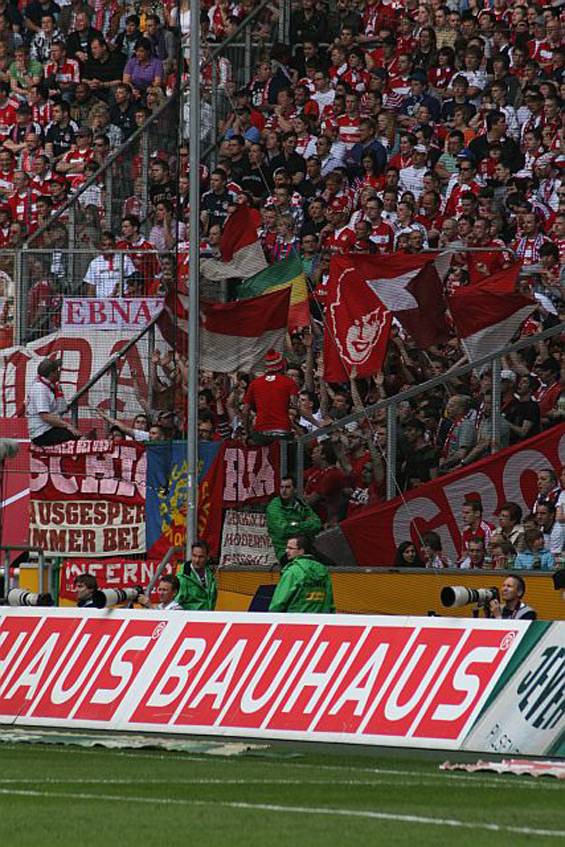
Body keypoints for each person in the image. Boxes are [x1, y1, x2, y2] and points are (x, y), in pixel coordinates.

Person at [269, 534, 335, 613]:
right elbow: (329, 599)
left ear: (301, 551)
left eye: (290, 548)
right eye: (286, 547)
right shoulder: (323, 570)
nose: (286, 551)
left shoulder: (292, 571)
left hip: (295, 621)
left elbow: (278, 603)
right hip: (319, 620)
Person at [242, 349, 297, 444]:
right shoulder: (290, 382)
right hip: (283, 431)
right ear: (282, 366)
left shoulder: (255, 384)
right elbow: (295, 404)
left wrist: (247, 433)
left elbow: (245, 411)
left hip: (261, 434)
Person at [265, 475, 322, 562]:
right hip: (286, 551)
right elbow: (284, 530)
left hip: (305, 549)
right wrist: (306, 526)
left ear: (295, 489)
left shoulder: (301, 504)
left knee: (331, 566)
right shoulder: (274, 506)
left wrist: (295, 524)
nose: (284, 490)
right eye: (281, 487)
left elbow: (317, 524)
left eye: (287, 487)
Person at [26, 357, 82, 445]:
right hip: (42, 433)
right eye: (57, 370)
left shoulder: (48, 387)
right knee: (76, 438)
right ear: (52, 374)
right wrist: (68, 426)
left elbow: (61, 409)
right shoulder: (40, 389)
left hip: (48, 429)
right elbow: (45, 416)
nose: (60, 372)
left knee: (76, 435)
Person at [176, 539, 218, 610]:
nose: (197, 560)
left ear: (207, 557)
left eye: (201, 557)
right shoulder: (183, 575)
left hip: (208, 617)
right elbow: (177, 602)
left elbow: (213, 598)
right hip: (189, 618)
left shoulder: (211, 574)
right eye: (194, 556)